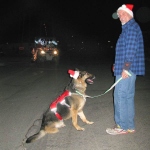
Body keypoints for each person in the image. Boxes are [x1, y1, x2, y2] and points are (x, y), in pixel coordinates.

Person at [106, 4, 145, 135]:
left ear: (129, 14)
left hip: (128, 69)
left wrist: (125, 68)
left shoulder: (131, 28)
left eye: (123, 13)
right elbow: (125, 50)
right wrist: (118, 65)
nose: (120, 17)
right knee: (127, 96)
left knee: (120, 96)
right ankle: (129, 126)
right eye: (119, 14)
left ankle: (121, 126)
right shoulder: (129, 28)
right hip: (127, 68)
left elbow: (131, 50)